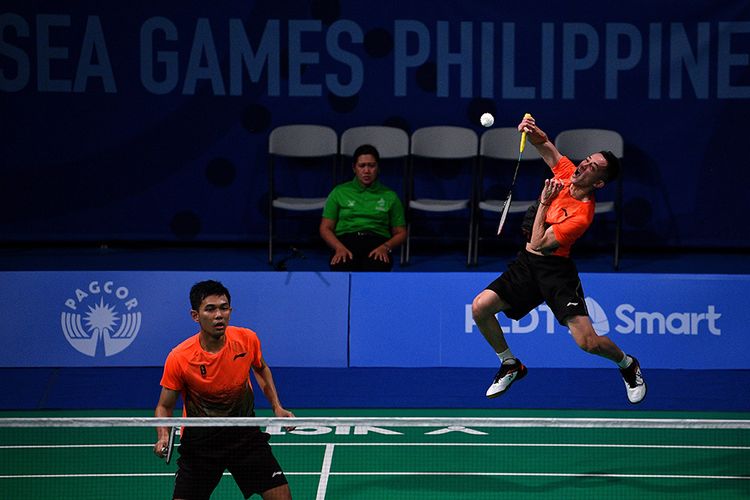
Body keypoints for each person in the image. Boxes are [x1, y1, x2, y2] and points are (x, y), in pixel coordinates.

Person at [471, 115, 647, 404]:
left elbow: (540, 243)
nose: (584, 165)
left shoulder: (582, 215)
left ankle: (627, 364)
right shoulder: (565, 173)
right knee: (480, 308)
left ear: (599, 183)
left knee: (587, 343)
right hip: (526, 265)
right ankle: (510, 364)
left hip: (555, 272)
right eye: (587, 160)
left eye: (593, 167)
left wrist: (543, 202)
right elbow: (547, 148)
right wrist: (533, 130)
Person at [153, 280, 294, 500]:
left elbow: (261, 368)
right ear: (195, 315)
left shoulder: (247, 339)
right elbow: (164, 406)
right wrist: (163, 436)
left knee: (281, 497)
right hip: (201, 444)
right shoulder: (180, 357)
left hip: (244, 435)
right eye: (210, 309)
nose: (219, 315)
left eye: (224, 307)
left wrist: (277, 407)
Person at [319, 144, 407, 271]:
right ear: (354, 168)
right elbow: (325, 228)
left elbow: (401, 232)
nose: (366, 171)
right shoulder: (339, 192)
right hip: (346, 242)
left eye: (371, 166)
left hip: (377, 243)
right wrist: (338, 247)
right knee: (342, 265)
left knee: (377, 268)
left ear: (378, 168)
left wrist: (385, 247)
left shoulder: (390, 196)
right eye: (362, 166)